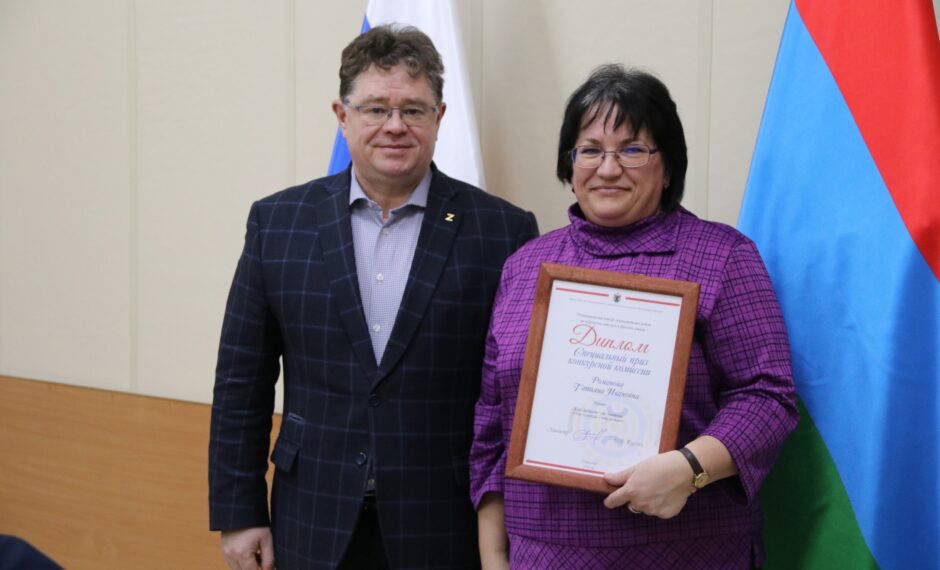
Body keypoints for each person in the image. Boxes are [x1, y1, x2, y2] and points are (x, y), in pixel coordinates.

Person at [209, 25, 538, 570]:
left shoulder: (503, 232)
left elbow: (513, 397)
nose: (395, 125)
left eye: (413, 109)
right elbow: (242, 381)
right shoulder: (278, 223)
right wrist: (239, 511)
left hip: (444, 522)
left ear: (440, 117)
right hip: (311, 516)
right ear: (342, 116)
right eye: (376, 109)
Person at [470, 64, 798, 569]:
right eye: (590, 150)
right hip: (543, 553)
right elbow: (493, 424)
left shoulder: (722, 257)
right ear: (569, 164)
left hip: (688, 551)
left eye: (632, 149)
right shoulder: (525, 266)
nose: (608, 169)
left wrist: (689, 468)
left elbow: (767, 396)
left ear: (668, 167)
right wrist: (494, 557)